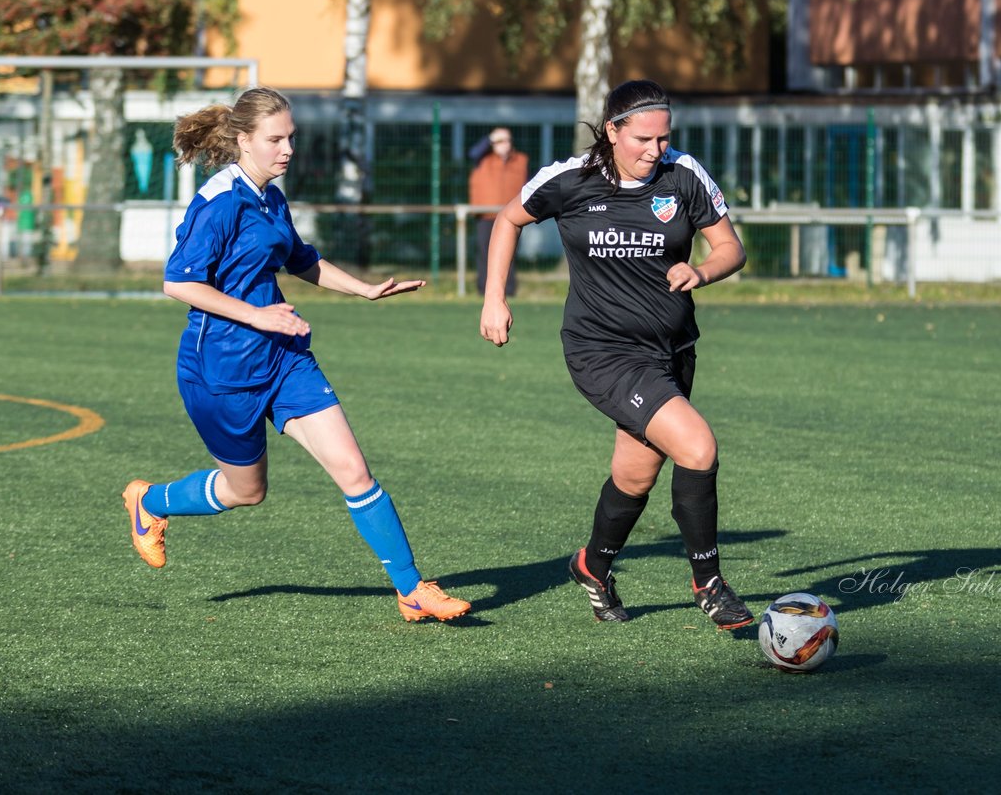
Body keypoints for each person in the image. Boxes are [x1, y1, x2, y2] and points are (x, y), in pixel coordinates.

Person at [122, 87, 469, 623]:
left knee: (354, 470)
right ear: (243, 141)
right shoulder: (218, 203)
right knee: (246, 491)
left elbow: (302, 260)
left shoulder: (270, 197)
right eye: (275, 139)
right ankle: (151, 501)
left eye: (291, 139)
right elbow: (178, 283)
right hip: (220, 371)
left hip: (284, 360)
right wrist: (259, 314)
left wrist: (365, 290)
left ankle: (411, 590)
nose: (287, 149)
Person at [479, 79, 753, 629]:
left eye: (664, 138)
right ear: (613, 130)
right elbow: (508, 220)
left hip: (672, 349)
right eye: (643, 139)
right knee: (697, 448)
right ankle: (709, 584)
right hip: (602, 351)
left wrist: (700, 270)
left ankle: (592, 565)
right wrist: (494, 298)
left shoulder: (684, 174)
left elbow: (731, 248)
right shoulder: (570, 178)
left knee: (635, 475)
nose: (655, 150)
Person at [468, 127, 528, 296]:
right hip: (485, 215)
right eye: (499, 141)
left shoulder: (520, 160)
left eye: (507, 140)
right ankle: (484, 289)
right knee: (484, 253)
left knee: (508, 254)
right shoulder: (482, 159)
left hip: (510, 217)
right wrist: (489, 139)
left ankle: (508, 291)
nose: (504, 144)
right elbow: (472, 153)